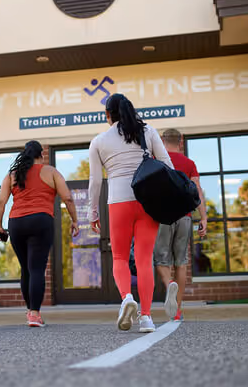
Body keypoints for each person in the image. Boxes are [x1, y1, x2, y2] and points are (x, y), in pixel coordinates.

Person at [88, 94, 174, 333]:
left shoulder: (99, 141)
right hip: (148, 201)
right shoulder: (148, 132)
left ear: (107, 115)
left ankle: (127, 298)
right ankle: (146, 318)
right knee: (144, 259)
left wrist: (92, 212)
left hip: (118, 202)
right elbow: (168, 165)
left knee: (119, 258)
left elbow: (95, 182)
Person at [0, 140, 79, 327]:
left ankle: (30, 312)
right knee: (37, 269)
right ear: (42, 155)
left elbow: (1, 201)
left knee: (26, 269)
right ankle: (34, 313)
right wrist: (74, 220)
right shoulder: (51, 172)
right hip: (41, 220)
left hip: (16, 222)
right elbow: (68, 198)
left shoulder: (13, 175)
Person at [154, 128, 208, 322]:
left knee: (161, 259)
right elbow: (197, 192)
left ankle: (169, 284)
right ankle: (176, 310)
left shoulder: (156, 161)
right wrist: (203, 218)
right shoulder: (189, 164)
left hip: (161, 216)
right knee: (181, 262)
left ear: (162, 140)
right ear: (181, 141)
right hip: (184, 216)